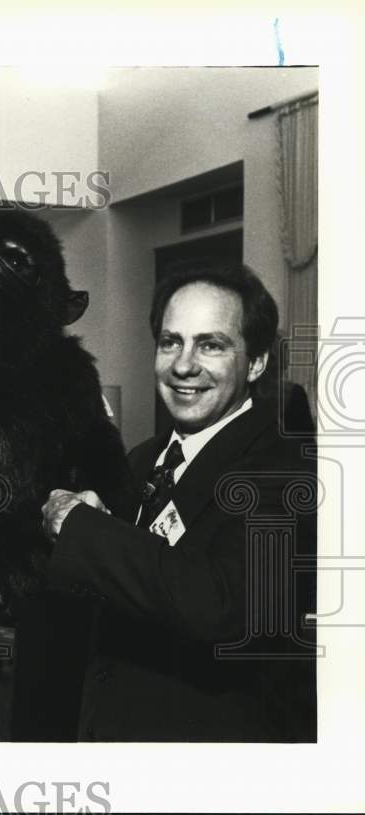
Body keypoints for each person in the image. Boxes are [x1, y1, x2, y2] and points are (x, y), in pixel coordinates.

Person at [41, 264, 316, 741]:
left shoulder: (286, 467)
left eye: (211, 344)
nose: (183, 365)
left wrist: (86, 530)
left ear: (255, 363)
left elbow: (223, 606)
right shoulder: (145, 458)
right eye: (171, 342)